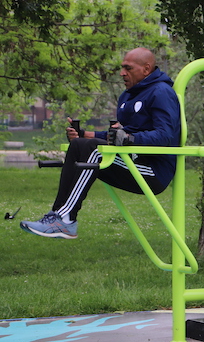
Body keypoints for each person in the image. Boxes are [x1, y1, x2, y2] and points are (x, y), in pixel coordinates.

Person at [20, 48, 181, 239]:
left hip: (153, 171)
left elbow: (165, 136)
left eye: (128, 68)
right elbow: (117, 135)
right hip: (131, 161)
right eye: (122, 68)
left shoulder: (161, 92)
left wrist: (130, 140)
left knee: (93, 150)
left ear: (146, 69)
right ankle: (57, 216)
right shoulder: (128, 96)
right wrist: (84, 134)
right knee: (80, 144)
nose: (122, 73)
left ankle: (65, 219)